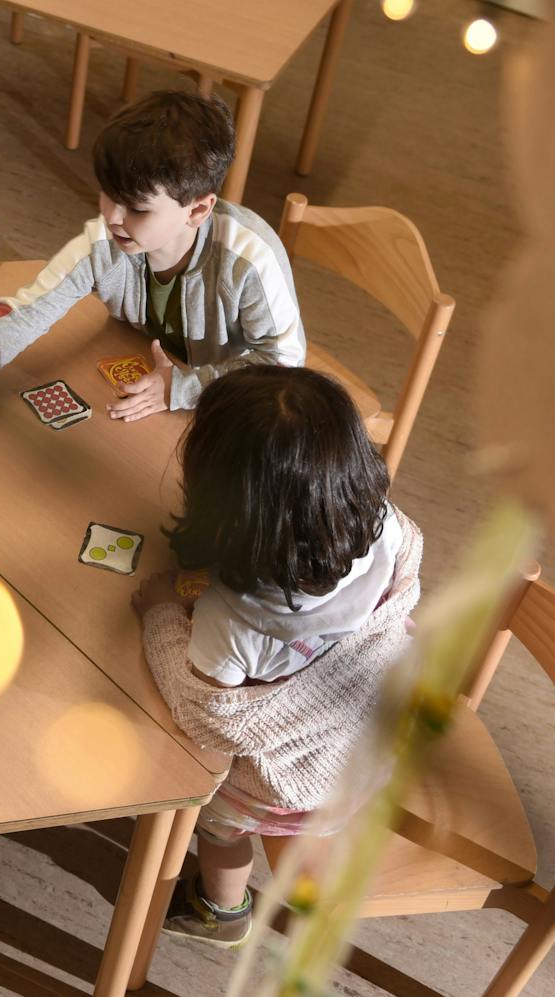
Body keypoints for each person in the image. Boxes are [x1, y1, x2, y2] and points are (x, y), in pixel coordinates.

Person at [133, 366, 420, 946]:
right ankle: (317, 884)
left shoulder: (233, 620)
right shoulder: (388, 528)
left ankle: (224, 908)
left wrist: (161, 614)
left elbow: (208, 717)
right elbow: (404, 588)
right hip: (381, 733)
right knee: (314, 820)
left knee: (220, 825)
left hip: (284, 780)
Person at [0, 90, 303, 447]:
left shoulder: (249, 260)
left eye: (136, 208)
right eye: (108, 195)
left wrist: (183, 388)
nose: (112, 217)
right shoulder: (104, 241)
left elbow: (284, 370)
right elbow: (23, 314)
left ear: (198, 210)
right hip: (147, 378)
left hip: (228, 404)